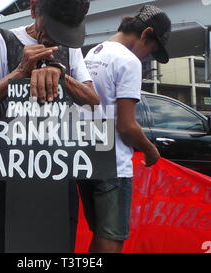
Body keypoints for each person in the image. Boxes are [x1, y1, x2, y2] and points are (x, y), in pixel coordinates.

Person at [0, 0, 99, 253]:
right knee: (3, 242)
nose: (54, 36)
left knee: (54, 243)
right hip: (9, 167)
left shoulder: (69, 48)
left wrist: (61, 73)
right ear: (34, 9)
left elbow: (92, 101)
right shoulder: (3, 40)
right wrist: (20, 71)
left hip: (57, 168)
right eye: (51, 27)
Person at [81, 5, 170, 253]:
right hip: (114, 164)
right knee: (112, 238)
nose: (147, 57)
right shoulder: (128, 61)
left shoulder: (92, 54)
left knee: (99, 233)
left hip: (88, 157)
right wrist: (151, 151)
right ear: (146, 34)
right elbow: (127, 126)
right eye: (151, 49)